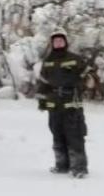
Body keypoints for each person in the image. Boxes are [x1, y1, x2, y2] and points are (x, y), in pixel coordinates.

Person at [36, 31, 89, 178]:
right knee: (57, 134)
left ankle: (79, 167)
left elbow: (88, 78)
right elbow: (43, 82)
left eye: (61, 40)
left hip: (71, 102)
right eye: (55, 41)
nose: (58, 43)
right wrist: (42, 99)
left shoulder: (75, 59)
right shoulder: (48, 61)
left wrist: (78, 84)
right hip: (54, 103)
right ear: (52, 43)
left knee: (75, 135)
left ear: (65, 42)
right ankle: (62, 165)